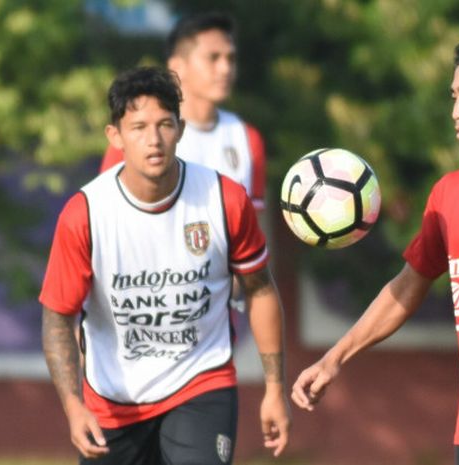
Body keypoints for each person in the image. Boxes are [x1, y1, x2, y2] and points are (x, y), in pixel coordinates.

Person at [40, 66, 290, 464]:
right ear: (115, 137)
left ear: (181, 129)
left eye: (164, 124)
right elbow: (57, 318)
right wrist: (73, 406)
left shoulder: (224, 200)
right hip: (112, 401)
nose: (153, 139)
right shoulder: (85, 214)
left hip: (201, 381)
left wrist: (275, 388)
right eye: (138, 126)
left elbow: (259, 289)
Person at [291, 29, 459, 465]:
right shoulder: (448, 197)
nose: (456, 112)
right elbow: (408, 285)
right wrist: (335, 357)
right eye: (454, 97)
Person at [99, 12, 266, 211]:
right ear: (177, 66)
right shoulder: (136, 136)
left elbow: (253, 227)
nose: (225, 68)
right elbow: (108, 212)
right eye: (213, 58)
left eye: (230, 58)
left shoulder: (247, 137)